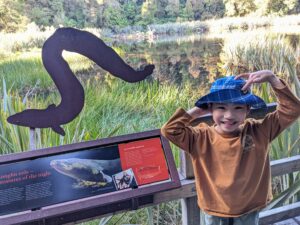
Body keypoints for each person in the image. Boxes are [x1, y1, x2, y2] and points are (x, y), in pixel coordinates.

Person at [161, 70, 300, 225]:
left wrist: (272, 79)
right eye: (221, 107)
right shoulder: (200, 137)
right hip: (214, 211)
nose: (229, 115)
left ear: (248, 110)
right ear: (210, 108)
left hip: (248, 210)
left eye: (238, 108)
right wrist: (198, 110)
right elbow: (169, 130)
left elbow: (293, 109)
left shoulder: (260, 131)